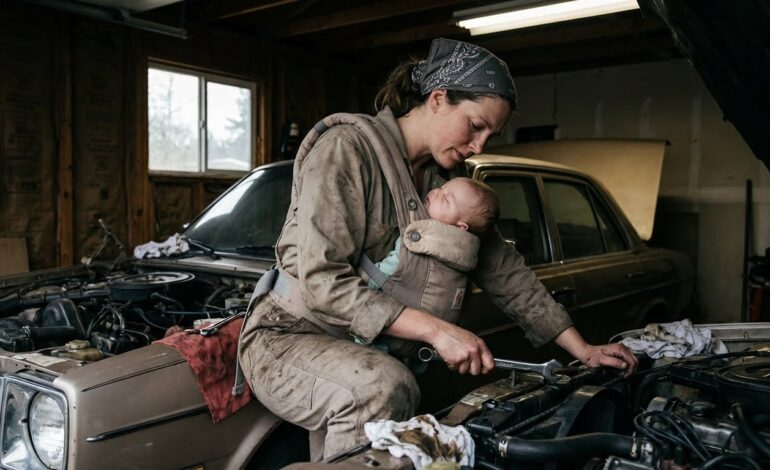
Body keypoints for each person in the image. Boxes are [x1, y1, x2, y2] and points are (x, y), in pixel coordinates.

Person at [237, 37, 638, 460]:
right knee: (382, 387)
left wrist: (582, 348)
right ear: (438, 98)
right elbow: (321, 281)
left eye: (490, 135)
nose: (479, 145)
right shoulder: (346, 148)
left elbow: (504, 270)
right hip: (288, 335)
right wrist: (436, 330)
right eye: (475, 125)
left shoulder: (448, 182)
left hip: (359, 349)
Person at [368, 177, 498, 290]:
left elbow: (390, 270)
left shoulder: (424, 240)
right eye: (441, 188)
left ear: (460, 226)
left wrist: (367, 281)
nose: (436, 192)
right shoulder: (462, 251)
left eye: (446, 200)